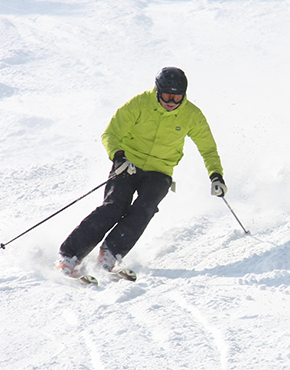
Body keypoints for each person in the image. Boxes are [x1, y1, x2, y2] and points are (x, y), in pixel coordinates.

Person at [54, 67, 227, 275]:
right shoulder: (139, 104)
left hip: (160, 171)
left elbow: (208, 148)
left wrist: (216, 175)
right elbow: (111, 133)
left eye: (177, 97)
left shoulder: (192, 115)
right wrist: (118, 157)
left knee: (145, 208)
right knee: (114, 207)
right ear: (157, 91)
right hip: (128, 164)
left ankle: (110, 253)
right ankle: (69, 255)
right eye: (167, 96)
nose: (171, 102)